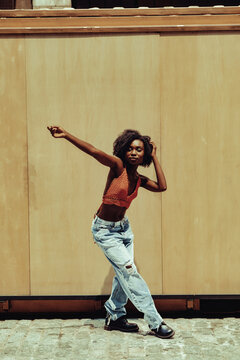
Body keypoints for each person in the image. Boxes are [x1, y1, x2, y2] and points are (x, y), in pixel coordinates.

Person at [47, 126, 175, 339]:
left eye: (139, 150)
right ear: (124, 150)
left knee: (123, 274)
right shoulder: (118, 167)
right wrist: (66, 135)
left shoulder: (140, 180)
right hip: (105, 231)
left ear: (144, 154)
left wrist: (154, 157)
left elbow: (162, 187)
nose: (134, 153)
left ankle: (115, 316)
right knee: (130, 272)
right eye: (130, 149)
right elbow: (94, 151)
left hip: (124, 230)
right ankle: (155, 321)